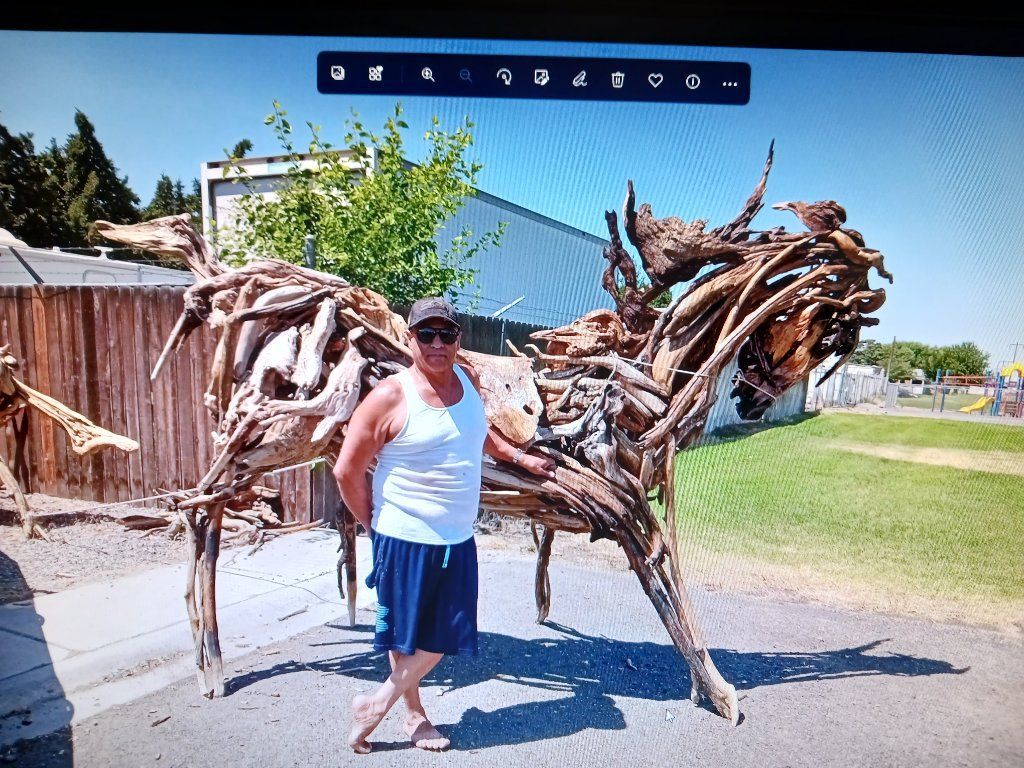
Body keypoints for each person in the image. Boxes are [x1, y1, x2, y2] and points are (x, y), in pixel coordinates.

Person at [333, 296, 555, 753]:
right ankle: (412, 717)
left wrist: (518, 458)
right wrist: (371, 524)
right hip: (404, 536)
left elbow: (475, 429)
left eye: (446, 334)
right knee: (408, 635)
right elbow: (345, 470)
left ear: (459, 339)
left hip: (457, 536)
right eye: (426, 334)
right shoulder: (391, 396)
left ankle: (376, 703)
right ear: (410, 338)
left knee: (447, 631)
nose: (437, 343)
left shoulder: (467, 380)